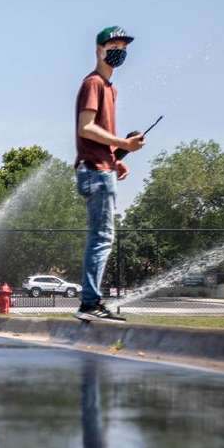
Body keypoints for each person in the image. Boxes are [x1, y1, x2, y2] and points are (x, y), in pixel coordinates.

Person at [73, 26, 143, 324]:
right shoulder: (94, 83)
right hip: (95, 173)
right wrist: (123, 144)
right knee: (102, 237)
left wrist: (116, 159)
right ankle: (89, 302)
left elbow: (97, 134)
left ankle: (90, 302)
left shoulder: (111, 88)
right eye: (113, 44)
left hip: (103, 168)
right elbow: (85, 127)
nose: (119, 49)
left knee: (101, 236)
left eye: (123, 45)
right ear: (99, 49)